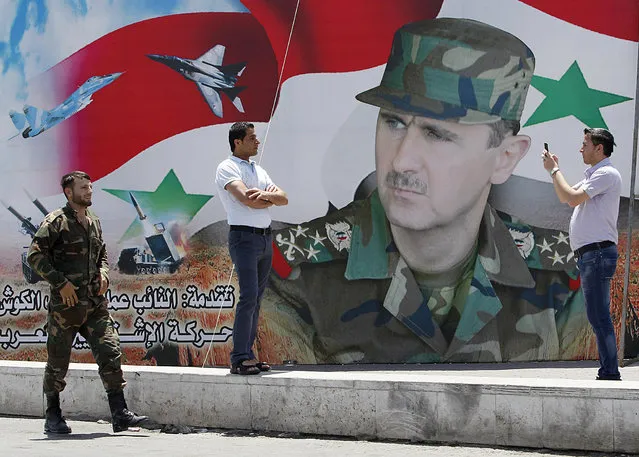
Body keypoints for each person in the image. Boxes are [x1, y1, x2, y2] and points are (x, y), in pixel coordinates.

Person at [259, 18, 588, 364]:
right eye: (394, 122)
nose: (401, 162)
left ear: (504, 158)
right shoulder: (294, 272)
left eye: (437, 134)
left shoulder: (561, 280)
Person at [27, 171, 147, 434]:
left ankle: (120, 414)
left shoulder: (93, 220)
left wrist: (104, 272)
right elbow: (35, 257)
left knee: (110, 352)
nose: (89, 191)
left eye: (91, 187)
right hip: (66, 307)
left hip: (94, 305)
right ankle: (53, 415)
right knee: (58, 362)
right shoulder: (56, 222)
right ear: (69, 193)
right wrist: (61, 283)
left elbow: (102, 253)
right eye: (84, 188)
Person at [542, 128, 622, 380]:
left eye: (585, 143)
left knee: (599, 314)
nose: (581, 148)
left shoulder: (606, 173)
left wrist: (554, 170)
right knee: (597, 314)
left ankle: (610, 372)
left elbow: (572, 198)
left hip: (597, 254)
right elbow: (565, 196)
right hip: (592, 255)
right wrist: (554, 169)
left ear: (600, 148)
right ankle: (608, 370)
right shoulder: (596, 174)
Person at [215, 122, 289, 374]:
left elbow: (284, 198)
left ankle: (249, 353)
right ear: (238, 142)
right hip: (244, 238)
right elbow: (247, 199)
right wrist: (267, 198)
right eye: (252, 138)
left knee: (256, 299)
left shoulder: (258, 170)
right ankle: (239, 357)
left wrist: (266, 197)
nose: (257, 142)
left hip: (264, 239)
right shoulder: (227, 167)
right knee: (247, 297)